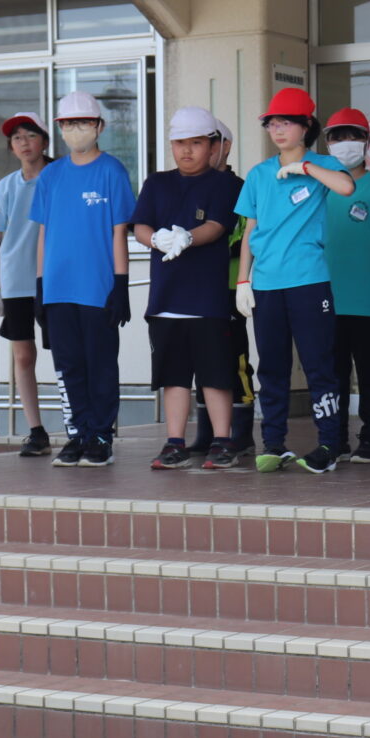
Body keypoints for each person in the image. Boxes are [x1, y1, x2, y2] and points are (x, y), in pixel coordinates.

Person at [235, 88, 357, 474]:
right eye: (272, 122)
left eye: (286, 122)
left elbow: (346, 187)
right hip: (267, 284)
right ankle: (273, 443)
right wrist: (243, 281)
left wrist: (304, 168)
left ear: (306, 125)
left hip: (309, 280)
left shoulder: (323, 164)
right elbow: (249, 232)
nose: (277, 129)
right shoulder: (258, 174)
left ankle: (329, 443)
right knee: (271, 366)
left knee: (319, 365)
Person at [131, 107, 242, 470]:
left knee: (215, 373)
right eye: (180, 143)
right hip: (165, 298)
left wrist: (187, 237)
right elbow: (140, 226)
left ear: (213, 147)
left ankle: (223, 441)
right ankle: (174, 442)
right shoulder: (156, 183)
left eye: (196, 143)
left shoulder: (224, 183)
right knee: (173, 375)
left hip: (207, 298)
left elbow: (218, 225)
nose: (187, 151)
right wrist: (158, 240)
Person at [34, 89, 136, 468]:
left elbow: (118, 232)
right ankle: (76, 433)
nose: (77, 129)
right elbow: (44, 233)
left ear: (100, 126)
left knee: (101, 364)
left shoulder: (111, 170)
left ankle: (100, 435)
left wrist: (121, 284)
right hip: (58, 288)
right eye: (69, 123)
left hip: (98, 287)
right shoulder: (51, 174)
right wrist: (40, 284)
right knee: (68, 365)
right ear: (60, 129)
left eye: (84, 122)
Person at [322, 107, 370, 463]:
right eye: (336, 136)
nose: (344, 143)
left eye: (351, 135)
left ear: (367, 141)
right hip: (325, 300)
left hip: (369, 300)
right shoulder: (318, 187)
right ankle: (333, 438)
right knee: (331, 377)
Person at [186, 115, 258, 458]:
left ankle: (241, 432)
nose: (206, 150)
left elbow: (245, 236)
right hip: (197, 286)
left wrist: (208, 240)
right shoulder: (190, 186)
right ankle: (208, 432)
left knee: (235, 359)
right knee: (202, 358)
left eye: (212, 143)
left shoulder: (241, 186)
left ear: (225, 147)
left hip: (230, 285)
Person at [0, 110, 59, 457]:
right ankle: (36, 430)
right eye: (17, 138)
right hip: (16, 280)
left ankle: (77, 426)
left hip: (56, 279)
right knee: (23, 355)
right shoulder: (5, 187)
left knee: (64, 352)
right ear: (11, 147)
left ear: (44, 142)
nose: (24, 143)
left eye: (30, 135)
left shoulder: (59, 177)